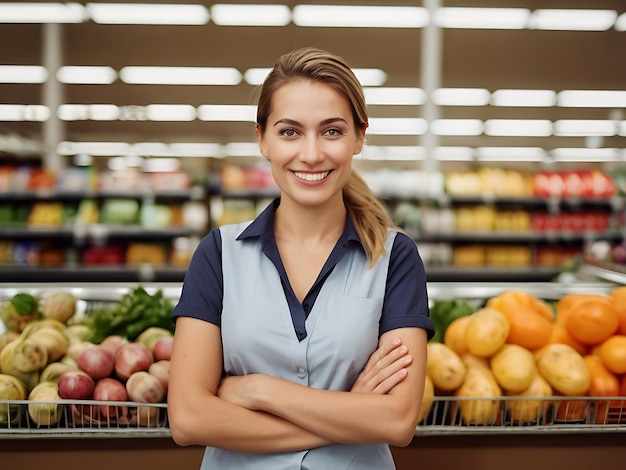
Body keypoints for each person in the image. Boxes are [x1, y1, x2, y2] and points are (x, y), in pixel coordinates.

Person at [167, 46, 435, 469]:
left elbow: (398, 420)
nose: (311, 154)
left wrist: (259, 391)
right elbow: (188, 418)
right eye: (290, 131)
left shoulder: (394, 258)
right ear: (262, 139)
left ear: (359, 137)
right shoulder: (218, 254)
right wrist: (351, 411)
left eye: (332, 131)